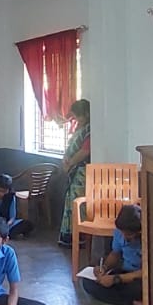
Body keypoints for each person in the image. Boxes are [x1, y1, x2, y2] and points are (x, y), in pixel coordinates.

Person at [81, 204, 144, 305]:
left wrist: (116, 279)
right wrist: (104, 267)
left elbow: (146, 272)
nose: (124, 237)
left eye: (128, 235)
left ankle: (127, 300)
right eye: (122, 233)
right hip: (124, 272)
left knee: (139, 288)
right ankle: (131, 301)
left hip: (138, 277)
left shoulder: (147, 238)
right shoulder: (119, 232)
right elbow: (115, 254)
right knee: (88, 283)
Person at [56, 99, 92, 246]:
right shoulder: (80, 129)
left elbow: (85, 151)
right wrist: (66, 160)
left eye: (79, 116)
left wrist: (70, 163)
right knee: (71, 202)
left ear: (87, 114)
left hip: (81, 172)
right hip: (73, 169)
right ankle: (69, 234)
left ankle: (78, 235)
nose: (77, 119)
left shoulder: (89, 131)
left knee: (77, 203)